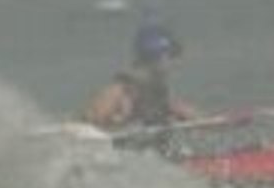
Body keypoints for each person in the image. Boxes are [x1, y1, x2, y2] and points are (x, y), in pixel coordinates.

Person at [83, 20, 203, 155]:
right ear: (156, 57)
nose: (177, 61)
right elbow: (87, 129)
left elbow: (179, 110)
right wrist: (122, 129)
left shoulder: (157, 90)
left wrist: (202, 120)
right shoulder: (119, 92)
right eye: (172, 55)